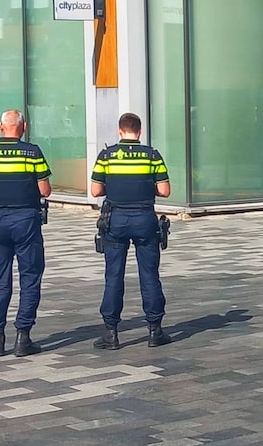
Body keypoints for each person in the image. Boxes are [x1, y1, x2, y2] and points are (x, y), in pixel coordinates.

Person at [0, 110, 52, 358]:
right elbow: (45, 190)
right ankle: (23, 336)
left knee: (0, 278)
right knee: (30, 276)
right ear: (23, 127)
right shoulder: (32, 152)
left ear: (0, 126)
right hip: (26, 220)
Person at [90, 113, 173, 350]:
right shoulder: (152, 155)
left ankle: (111, 333)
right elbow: (165, 190)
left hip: (115, 219)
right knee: (149, 274)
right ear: (140, 131)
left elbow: (96, 191)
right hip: (144, 219)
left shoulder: (106, 156)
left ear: (119, 131)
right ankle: (155, 331)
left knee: (113, 276)